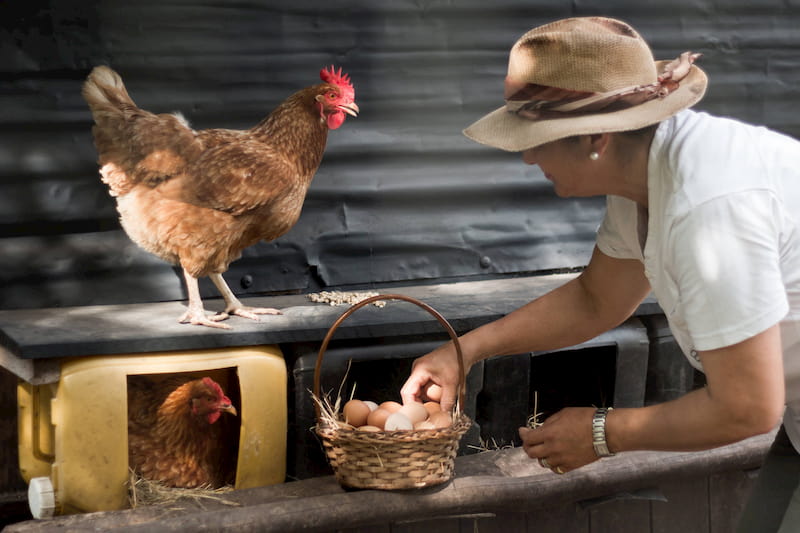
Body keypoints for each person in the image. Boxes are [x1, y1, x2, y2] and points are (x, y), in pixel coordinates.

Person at [399, 16, 800, 532]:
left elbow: (747, 408)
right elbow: (597, 299)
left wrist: (604, 433)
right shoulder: (644, 172)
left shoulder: (708, 209)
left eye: (538, 138)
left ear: (596, 137)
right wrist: (464, 351)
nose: (527, 157)